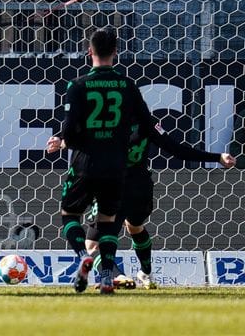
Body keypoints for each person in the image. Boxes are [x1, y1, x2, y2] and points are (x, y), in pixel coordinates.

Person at [47, 118, 236, 290]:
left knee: (92, 245)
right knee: (135, 227)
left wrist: (62, 141)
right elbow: (177, 150)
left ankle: (117, 276)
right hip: (142, 189)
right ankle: (146, 272)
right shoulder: (148, 122)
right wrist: (217, 157)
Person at [59, 27, 153, 294]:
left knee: (69, 215)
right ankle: (105, 278)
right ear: (116, 53)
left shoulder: (78, 85)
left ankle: (82, 258)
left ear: (89, 52)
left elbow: (68, 131)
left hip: (85, 162)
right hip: (115, 165)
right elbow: (146, 125)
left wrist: (76, 143)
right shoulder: (127, 85)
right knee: (108, 220)